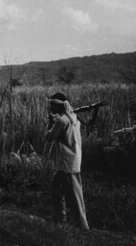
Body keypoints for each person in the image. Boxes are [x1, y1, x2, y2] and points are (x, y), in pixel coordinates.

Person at [45, 92, 89, 231]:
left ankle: (82, 227)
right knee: (56, 185)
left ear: (59, 106)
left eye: (52, 105)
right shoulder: (74, 117)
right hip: (74, 159)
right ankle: (60, 219)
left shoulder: (62, 121)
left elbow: (49, 137)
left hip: (66, 162)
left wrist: (51, 122)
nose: (50, 108)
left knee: (75, 196)